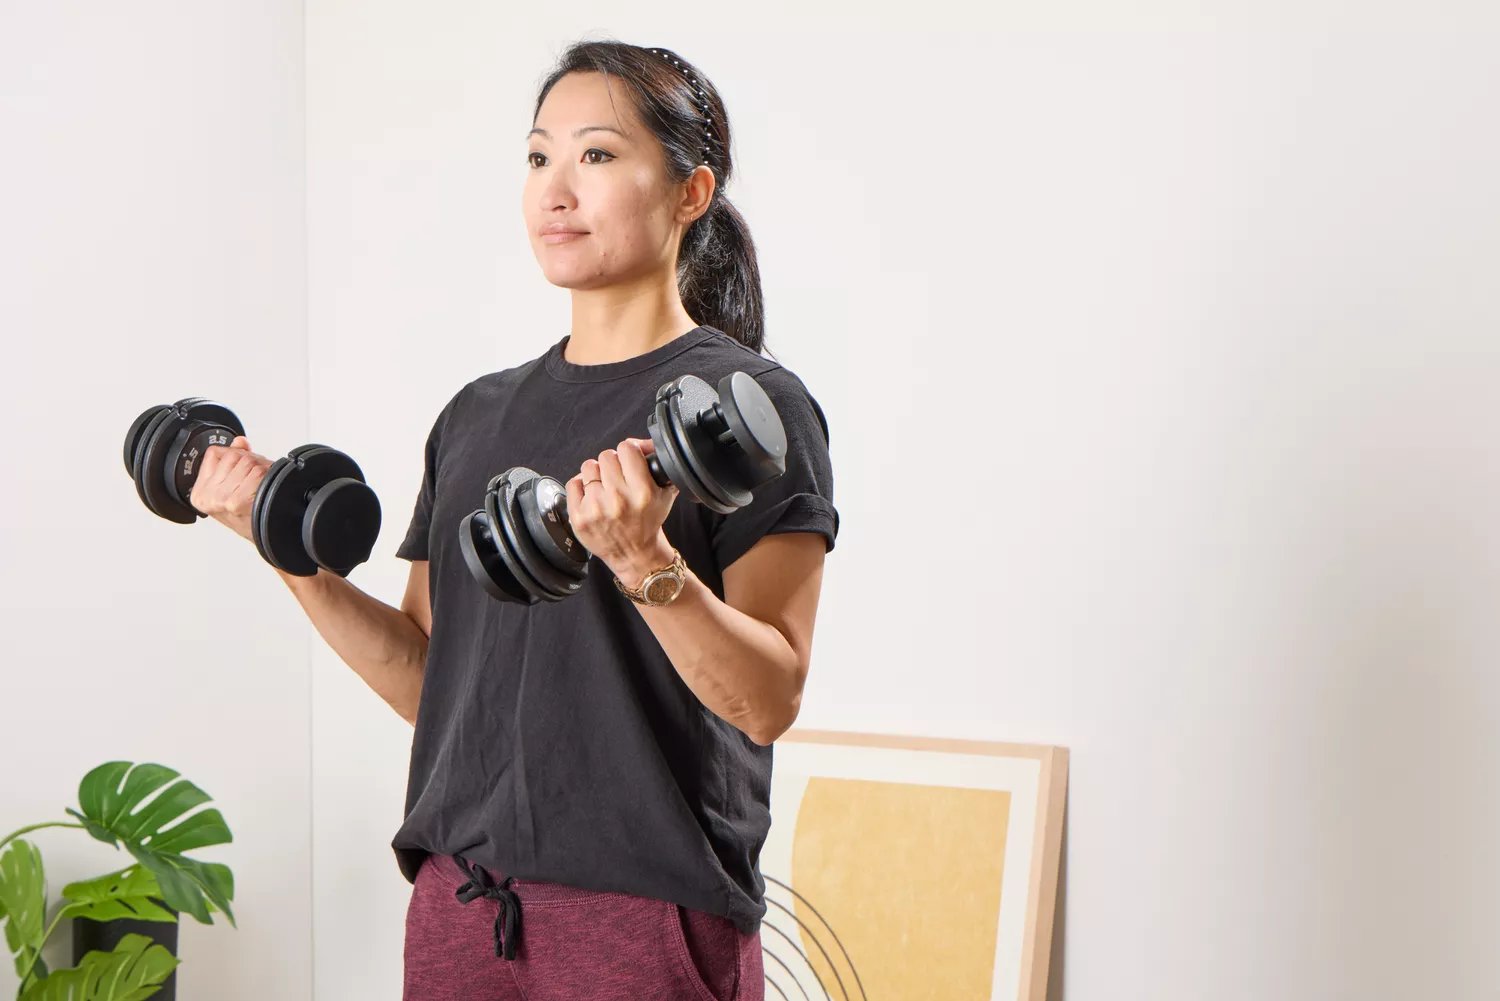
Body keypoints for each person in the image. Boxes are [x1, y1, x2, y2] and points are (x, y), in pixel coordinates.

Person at [190, 39, 838, 1001]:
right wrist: (283, 552)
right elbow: (427, 676)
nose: (556, 191)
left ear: (691, 193)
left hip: (641, 919)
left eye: (598, 155)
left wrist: (644, 561)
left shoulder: (747, 405)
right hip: (464, 906)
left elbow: (766, 698)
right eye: (539, 158)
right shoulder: (477, 416)